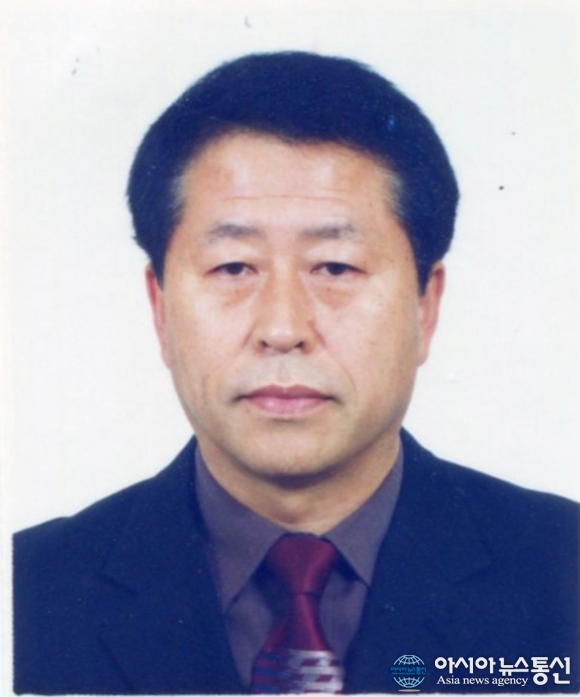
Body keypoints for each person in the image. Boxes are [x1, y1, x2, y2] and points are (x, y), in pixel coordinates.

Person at [13, 51, 578, 695]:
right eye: (233, 268)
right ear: (160, 307)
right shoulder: (30, 593)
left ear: (426, 305)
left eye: (335, 267)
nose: (283, 328)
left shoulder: (562, 571)